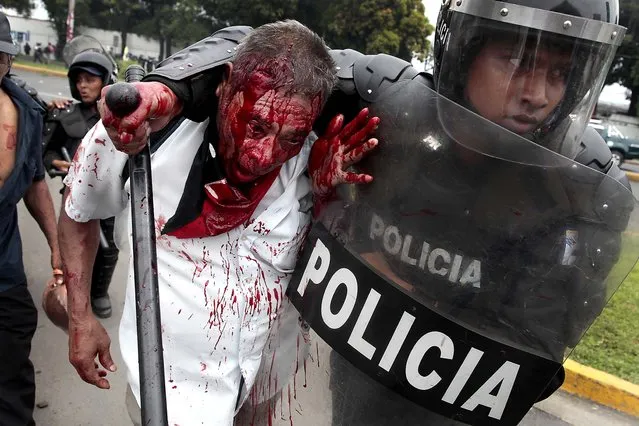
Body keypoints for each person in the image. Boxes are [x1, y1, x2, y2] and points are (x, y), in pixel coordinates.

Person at [102, 1, 638, 425]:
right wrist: (173, 88)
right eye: (516, 60)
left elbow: (536, 349)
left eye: (561, 72)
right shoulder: (388, 102)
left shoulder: (584, 190)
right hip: (338, 378)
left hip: (446, 408)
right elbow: (264, 54)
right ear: (466, 47)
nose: (537, 94)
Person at [58, 20, 377, 425]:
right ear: (225, 84)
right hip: (168, 398)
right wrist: (81, 318)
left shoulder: (315, 157)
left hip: (262, 389)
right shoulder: (138, 133)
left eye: (289, 137)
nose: (263, 154)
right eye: (256, 125)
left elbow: (322, 275)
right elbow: (77, 214)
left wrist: (327, 195)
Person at [0, 12, 62, 426]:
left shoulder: (26, 111)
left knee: (11, 376)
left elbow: (35, 182)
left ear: (7, 60)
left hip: (4, 274)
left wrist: (59, 248)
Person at [43, 50, 118, 318]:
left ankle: (99, 291)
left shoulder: (116, 115)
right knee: (72, 244)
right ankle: (75, 291)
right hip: (73, 195)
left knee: (109, 248)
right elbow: (48, 151)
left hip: (109, 195)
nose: (83, 86)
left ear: (105, 80)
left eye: (90, 80)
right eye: (79, 80)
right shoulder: (66, 115)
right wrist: (58, 165)